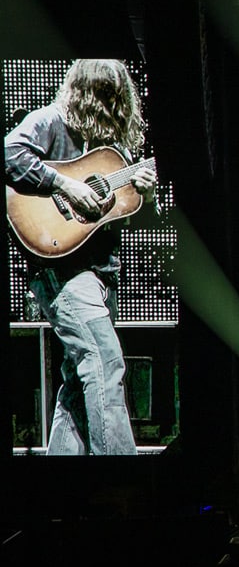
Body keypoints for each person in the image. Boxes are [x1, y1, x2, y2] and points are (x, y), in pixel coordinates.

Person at [5, 59, 157, 454]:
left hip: (102, 271)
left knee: (78, 383)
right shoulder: (51, 120)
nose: (110, 106)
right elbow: (9, 153)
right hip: (62, 272)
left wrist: (146, 192)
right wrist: (65, 185)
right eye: (104, 96)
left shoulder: (114, 148)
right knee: (105, 363)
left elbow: (117, 215)